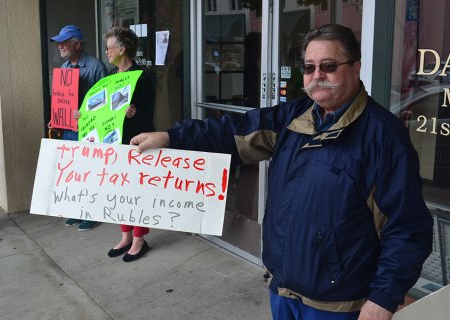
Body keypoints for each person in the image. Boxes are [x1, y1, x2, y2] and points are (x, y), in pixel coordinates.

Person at [129, 24, 434, 320]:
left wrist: (383, 299)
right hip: (283, 291)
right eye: (310, 67)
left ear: (355, 68)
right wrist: (172, 137)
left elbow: (407, 228)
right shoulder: (294, 116)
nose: (317, 76)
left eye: (328, 66)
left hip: (338, 306)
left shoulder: (383, 137)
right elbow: (230, 132)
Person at [49, 25, 108, 231]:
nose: (60, 46)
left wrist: (86, 114)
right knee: (74, 172)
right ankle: (78, 209)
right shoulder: (65, 69)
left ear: (77, 44)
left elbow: (106, 104)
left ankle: (92, 212)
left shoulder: (96, 67)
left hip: (88, 130)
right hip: (68, 130)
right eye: (59, 42)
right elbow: (62, 101)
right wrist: (57, 117)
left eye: (64, 42)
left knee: (90, 172)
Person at [104, 26, 155, 262]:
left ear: (122, 49)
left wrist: (135, 113)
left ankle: (139, 239)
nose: (106, 52)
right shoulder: (109, 77)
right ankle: (125, 235)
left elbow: (149, 114)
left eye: (109, 47)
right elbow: (103, 112)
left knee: (136, 191)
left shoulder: (142, 76)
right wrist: (83, 116)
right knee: (119, 190)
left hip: (137, 143)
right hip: (115, 145)